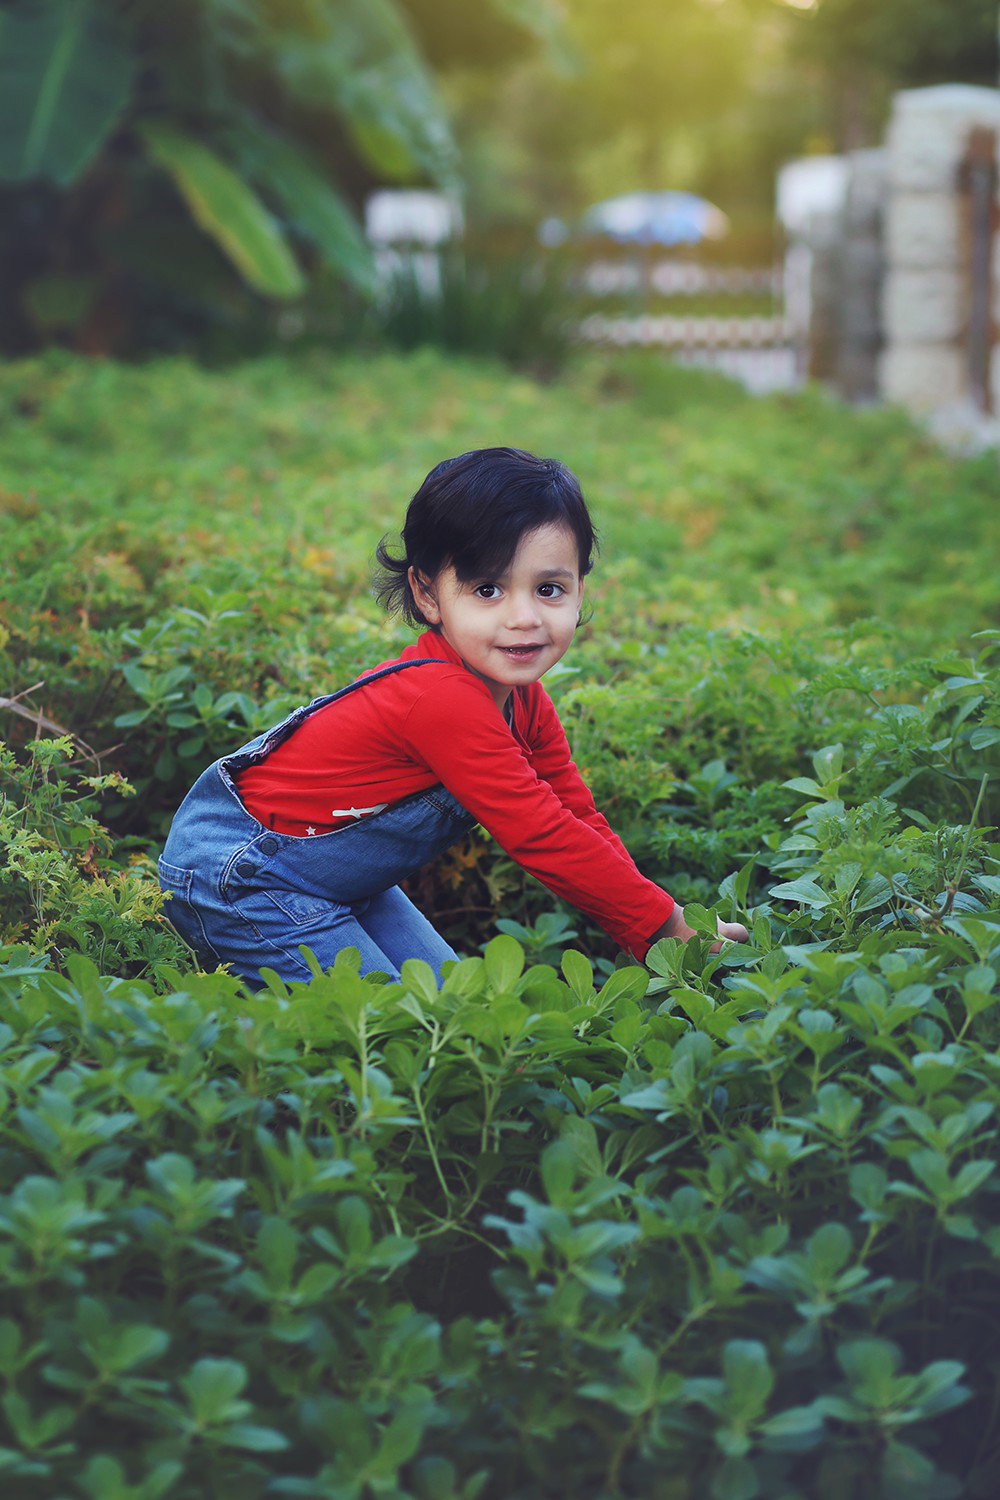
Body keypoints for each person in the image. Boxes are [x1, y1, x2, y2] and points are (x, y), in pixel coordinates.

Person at [158, 447, 746, 987]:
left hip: (339, 883)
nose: (524, 618)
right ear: (427, 593)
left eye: (549, 589)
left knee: (458, 1016)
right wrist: (666, 933)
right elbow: (541, 835)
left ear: (580, 587)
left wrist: (664, 927)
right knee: (397, 1034)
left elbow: (575, 817)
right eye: (487, 589)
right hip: (248, 878)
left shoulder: (522, 703)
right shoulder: (439, 698)